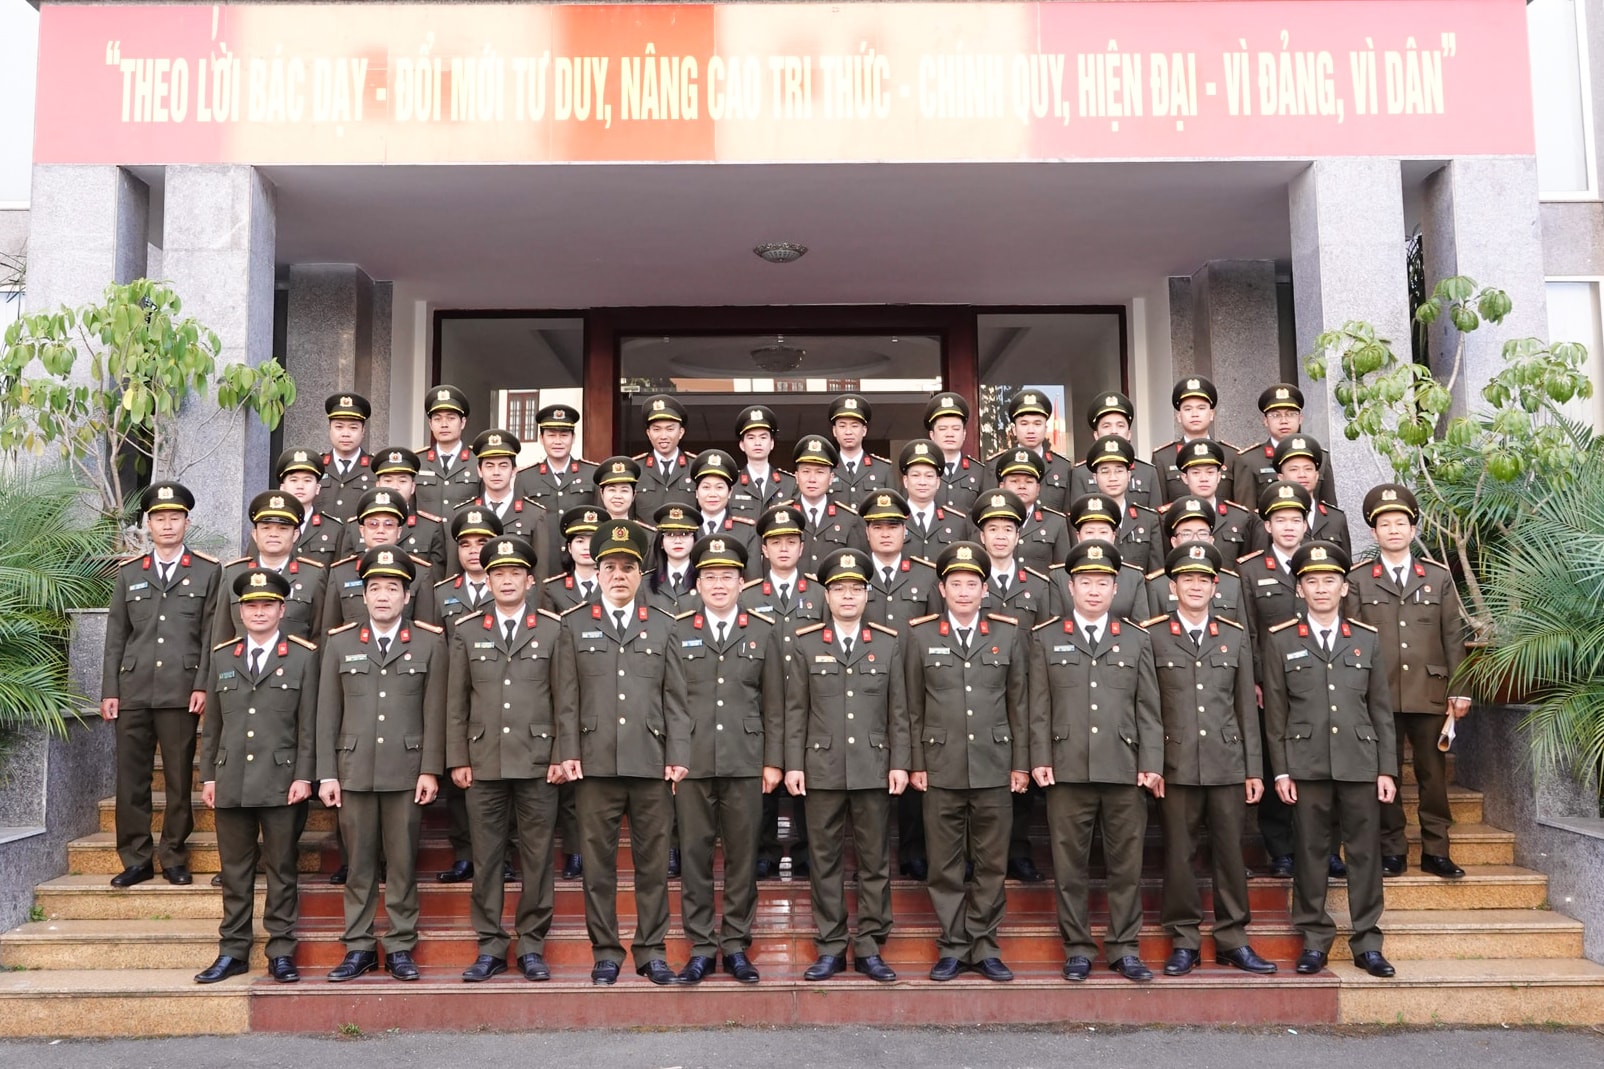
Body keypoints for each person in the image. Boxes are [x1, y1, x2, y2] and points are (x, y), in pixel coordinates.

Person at [555, 519, 689, 986]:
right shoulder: (574, 624)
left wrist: (678, 754)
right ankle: (606, 953)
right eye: (609, 567)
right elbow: (566, 697)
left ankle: (652, 952)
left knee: (653, 865)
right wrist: (568, 749)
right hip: (594, 763)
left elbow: (676, 698)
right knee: (598, 868)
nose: (618, 575)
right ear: (597, 573)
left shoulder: (664, 625)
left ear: (639, 574)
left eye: (627, 567)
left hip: (651, 762)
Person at [1261, 541, 1398, 979]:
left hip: (1360, 761)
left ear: (1344, 588)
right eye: (1312, 581)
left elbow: (1380, 710)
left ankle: (1368, 942)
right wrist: (1281, 770)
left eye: (1329, 580)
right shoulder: (1281, 640)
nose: (1321, 588)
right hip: (1306, 763)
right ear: (1299, 589)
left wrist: (1387, 768)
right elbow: (1276, 714)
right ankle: (1315, 940)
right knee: (1310, 852)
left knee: (1364, 854)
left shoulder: (1366, 638)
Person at [1028, 539, 1163, 984]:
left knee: (1127, 865)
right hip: (1066, 768)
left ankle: (1125, 947)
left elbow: (1149, 707)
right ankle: (1078, 948)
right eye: (1085, 581)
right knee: (1070, 867)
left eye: (1102, 582)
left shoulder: (1137, 638)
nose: (1093, 590)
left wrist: (1152, 761)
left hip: (1124, 768)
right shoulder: (1046, 637)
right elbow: (1039, 706)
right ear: (1070, 586)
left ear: (1115, 588)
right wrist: (1040, 757)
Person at [1145, 543, 1278, 978]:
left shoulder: (1233, 635)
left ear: (1215, 586)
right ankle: (1184, 939)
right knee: (1179, 855)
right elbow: (1147, 707)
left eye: (1203, 579)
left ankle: (1233, 939)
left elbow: (1245, 710)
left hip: (1226, 762)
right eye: (1187, 579)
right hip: (1176, 764)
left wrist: (1253, 769)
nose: (1196, 586)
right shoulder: (1152, 635)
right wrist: (1154, 763)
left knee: (1230, 854)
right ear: (1173, 586)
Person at [316, 547, 448, 982]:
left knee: (403, 863)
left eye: (393, 588)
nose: (383, 596)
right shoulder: (340, 642)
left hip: (406, 772)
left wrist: (430, 769)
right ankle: (358, 946)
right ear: (364, 595)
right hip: (353, 770)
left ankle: (400, 945)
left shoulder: (430, 642)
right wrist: (327, 773)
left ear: (407, 596)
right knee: (358, 865)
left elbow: (436, 712)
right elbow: (326, 713)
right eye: (375, 588)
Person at [784, 548, 910, 983]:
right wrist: (793, 764)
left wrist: (900, 763)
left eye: (856, 589)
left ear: (867, 594)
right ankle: (831, 946)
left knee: (874, 862)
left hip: (873, 767)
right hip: (821, 768)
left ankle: (871, 946)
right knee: (825, 861)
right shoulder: (806, 643)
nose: (848, 596)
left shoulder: (888, 643)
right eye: (839, 589)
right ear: (827, 595)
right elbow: (796, 711)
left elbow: (899, 711)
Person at [447, 535, 568, 982]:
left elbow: (565, 699)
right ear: (488, 580)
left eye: (515, 573)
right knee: (487, 858)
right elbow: (456, 702)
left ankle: (532, 944)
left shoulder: (553, 629)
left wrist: (562, 754)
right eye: (498, 574)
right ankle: (490, 946)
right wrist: (457, 758)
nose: (507, 580)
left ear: (530, 580)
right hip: (484, 761)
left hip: (538, 761)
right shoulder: (467, 630)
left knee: (537, 857)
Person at [905, 542, 1028, 983]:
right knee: (945, 864)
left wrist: (1021, 763)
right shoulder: (920, 635)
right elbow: (911, 707)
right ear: (941, 589)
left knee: (992, 863)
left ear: (984, 589)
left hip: (995, 763)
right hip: (941, 765)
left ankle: (985, 944)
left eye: (971, 584)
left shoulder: (1007, 634)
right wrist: (916, 762)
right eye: (954, 584)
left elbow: (1019, 703)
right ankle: (954, 946)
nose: (962, 591)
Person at [671, 535, 785, 984]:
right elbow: (670, 701)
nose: (719, 585)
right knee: (694, 856)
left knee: (742, 857)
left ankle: (736, 944)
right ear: (697, 584)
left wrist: (772, 761)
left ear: (742, 583)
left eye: (727, 577)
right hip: (692, 761)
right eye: (711, 577)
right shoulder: (678, 629)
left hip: (745, 760)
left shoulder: (763, 631)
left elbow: (774, 703)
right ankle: (701, 946)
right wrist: (673, 757)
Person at [194, 569, 317, 985]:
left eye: (267, 605)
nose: (259, 612)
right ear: (240, 611)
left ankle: (281, 950)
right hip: (231, 778)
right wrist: (209, 777)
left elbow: (308, 726)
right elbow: (213, 725)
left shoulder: (302, 657)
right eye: (251, 606)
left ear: (282, 610)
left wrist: (305, 776)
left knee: (281, 868)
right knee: (234, 871)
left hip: (282, 781)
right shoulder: (222, 657)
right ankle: (233, 951)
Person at [1345, 483, 1470, 880]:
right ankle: (1392, 849)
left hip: (1429, 692)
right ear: (1373, 532)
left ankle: (1436, 850)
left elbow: (1452, 636)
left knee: (1432, 775)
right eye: (1385, 524)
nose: (1393, 530)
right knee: (1387, 774)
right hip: (1377, 694)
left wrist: (1460, 689)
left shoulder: (1437, 577)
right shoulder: (1359, 579)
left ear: (1413, 529)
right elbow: (1352, 638)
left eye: (1401, 523)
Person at [100, 481, 221, 889]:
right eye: (159, 518)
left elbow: (211, 635)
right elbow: (116, 635)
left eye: (175, 518)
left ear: (187, 522)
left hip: (181, 689)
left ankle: (173, 855)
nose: (167, 525)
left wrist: (203, 685)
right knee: (130, 778)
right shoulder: (130, 572)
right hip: (133, 689)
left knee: (178, 778)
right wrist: (110, 690)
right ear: (148, 524)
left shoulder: (207, 571)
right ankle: (136, 858)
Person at [432, 506, 514, 887]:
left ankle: (505, 855)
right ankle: (465, 853)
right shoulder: (441, 592)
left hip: (501, 693)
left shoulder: (515, 588)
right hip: (454, 693)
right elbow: (432, 643)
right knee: (459, 780)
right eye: (465, 544)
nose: (473, 551)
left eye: (482, 543)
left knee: (505, 778)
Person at [742, 504, 825, 880]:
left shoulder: (820, 594)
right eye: (776, 542)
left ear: (802, 547)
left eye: (791, 541)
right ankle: (765, 850)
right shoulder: (748, 596)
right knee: (764, 778)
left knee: (809, 775)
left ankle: (807, 850)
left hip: (811, 700)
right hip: (761, 700)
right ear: (763, 549)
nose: (784, 549)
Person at [1238, 480, 1315, 879]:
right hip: (1270, 684)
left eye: (1295, 520)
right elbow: (1249, 630)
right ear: (1267, 526)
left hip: (1317, 681)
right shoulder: (1250, 570)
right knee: (1274, 764)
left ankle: (1320, 848)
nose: (1288, 527)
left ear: (1305, 524)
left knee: (1318, 764)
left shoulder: (1322, 563)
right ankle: (1281, 849)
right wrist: (1255, 679)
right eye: (1280, 520)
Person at [859, 489, 938, 880]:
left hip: (913, 681)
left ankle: (913, 851)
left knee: (914, 761)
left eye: (893, 526)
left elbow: (936, 630)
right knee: (866, 769)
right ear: (867, 532)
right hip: (864, 684)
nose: (886, 533)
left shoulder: (926, 575)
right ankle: (868, 857)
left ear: (906, 531)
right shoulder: (852, 575)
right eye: (878, 527)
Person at [214, 490, 327, 646]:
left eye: (282, 528)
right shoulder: (233, 573)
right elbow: (221, 636)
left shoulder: (313, 576)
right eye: (266, 528)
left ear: (295, 535)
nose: (273, 534)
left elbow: (319, 636)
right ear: (255, 534)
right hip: (243, 661)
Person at [321, 488, 440, 633]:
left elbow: (425, 633)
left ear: (399, 531)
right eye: (373, 524)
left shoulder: (420, 573)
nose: (381, 530)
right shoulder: (340, 573)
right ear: (362, 530)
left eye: (389, 524)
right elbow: (330, 631)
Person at [515, 402, 598, 578]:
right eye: (551, 435)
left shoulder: (591, 474)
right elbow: (521, 525)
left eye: (564, 435)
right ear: (541, 438)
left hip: (584, 567)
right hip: (543, 566)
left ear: (573, 438)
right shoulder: (525, 478)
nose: (558, 441)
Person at [1232, 383, 1338, 508]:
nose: (1284, 421)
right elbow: (1246, 513)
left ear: (1300, 419)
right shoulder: (1249, 460)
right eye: (1276, 415)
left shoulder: (1321, 457)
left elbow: (1330, 509)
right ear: (1265, 421)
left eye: (1290, 414)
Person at [1146, 496, 1248, 625]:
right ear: (1174, 542)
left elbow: (1241, 633)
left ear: (1211, 540)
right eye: (1186, 534)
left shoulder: (1231, 583)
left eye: (1202, 533)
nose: (1195, 539)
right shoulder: (1157, 585)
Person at [341, 446, 448, 568]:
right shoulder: (355, 527)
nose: (395, 487)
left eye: (402, 481)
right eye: (388, 481)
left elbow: (434, 576)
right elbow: (345, 572)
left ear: (413, 487)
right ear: (377, 485)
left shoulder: (431, 528)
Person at [1244, 434, 1350, 556]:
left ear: (1316, 476)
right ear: (1281, 477)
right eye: (1294, 469)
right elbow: (1259, 562)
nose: (1302, 475)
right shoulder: (1264, 519)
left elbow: (1345, 562)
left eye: (1308, 469)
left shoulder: (1336, 518)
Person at [1056, 494, 1151, 623]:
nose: (1097, 537)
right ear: (1078, 536)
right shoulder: (1059, 576)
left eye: (1103, 532)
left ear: (1113, 536)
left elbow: (1139, 627)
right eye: (1089, 532)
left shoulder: (1134, 578)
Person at [1083, 435, 1161, 573]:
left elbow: (1156, 574)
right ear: (1095, 478)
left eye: (1119, 471)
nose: (1112, 478)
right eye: (1105, 471)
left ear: (1129, 475)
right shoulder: (1083, 520)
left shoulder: (1148, 520)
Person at [1069, 391, 1161, 508]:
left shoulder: (1148, 472)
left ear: (1129, 434)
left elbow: (1155, 516)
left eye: (1120, 425)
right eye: (1106, 426)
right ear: (1096, 435)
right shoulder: (1081, 473)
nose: (1114, 431)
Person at [1153, 376, 1235, 504]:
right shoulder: (1163, 458)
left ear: (1212, 414)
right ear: (1179, 416)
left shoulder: (1231, 455)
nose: (1195, 414)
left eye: (1201, 408)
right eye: (1188, 409)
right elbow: (1159, 507)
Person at [792, 435, 866, 577]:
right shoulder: (785, 515)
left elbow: (856, 568)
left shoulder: (848, 519)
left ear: (831, 478)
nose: (812, 479)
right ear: (796, 476)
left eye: (820, 472)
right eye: (806, 471)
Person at [1169, 439, 1254, 562]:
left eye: (1210, 472)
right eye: (1196, 473)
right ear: (1185, 478)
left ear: (1219, 476)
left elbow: (1247, 564)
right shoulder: (1169, 517)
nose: (1204, 478)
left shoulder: (1240, 518)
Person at [993, 448, 1071, 573]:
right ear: (1001, 486)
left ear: (1038, 488)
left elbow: (1062, 573)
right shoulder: (989, 521)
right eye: (1014, 481)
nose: (1022, 486)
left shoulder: (1055, 522)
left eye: (1029, 482)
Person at [899, 439, 974, 560]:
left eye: (929, 476)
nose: (922, 482)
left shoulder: (956, 522)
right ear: (905, 481)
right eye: (915, 475)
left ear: (938, 482)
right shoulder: (895, 519)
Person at [689, 448, 760, 572]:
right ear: (696, 492)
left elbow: (753, 576)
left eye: (719, 487)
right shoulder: (687, 529)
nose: (712, 494)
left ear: (730, 492)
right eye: (706, 487)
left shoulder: (746, 531)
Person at [414, 384, 480, 518]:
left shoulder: (478, 460)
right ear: (430, 424)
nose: (444, 424)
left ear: (463, 422)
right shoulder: (417, 461)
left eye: (451, 418)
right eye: (437, 419)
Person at [276, 448, 345, 566]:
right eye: (293, 480)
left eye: (307, 480)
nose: (300, 486)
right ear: (282, 488)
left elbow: (338, 572)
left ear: (317, 488)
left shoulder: (334, 529)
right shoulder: (267, 526)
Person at [633, 394, 697, 522]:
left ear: (681, 432)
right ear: (648, 433)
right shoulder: (635, 468)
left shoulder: (696, 466)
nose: (663, 436)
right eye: (657, 429)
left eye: (670, 429)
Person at [471, 429, 542, 541]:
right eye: (489, 466)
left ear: (514, 470)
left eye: (503, 466)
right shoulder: (467, 511)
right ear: (479, 470)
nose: (496, 472)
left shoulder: (534, 514)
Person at [728, 405, 797, 519]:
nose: (757, 443)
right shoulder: (731, 484)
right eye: (751, 438)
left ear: (772, 443)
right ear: (742, 445)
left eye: (763, 437)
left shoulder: (790, 484)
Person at [826, 392, 891, 510]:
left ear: (864, 431)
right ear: (834, 431)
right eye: (842, 426)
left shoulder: (883, 469)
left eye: (854, 426)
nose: (848, 432)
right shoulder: (826, 468)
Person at [923, 393, 985, 513]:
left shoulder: (979, 471)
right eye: (943, 429)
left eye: (956, 429)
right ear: (932, 435)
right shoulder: (921, 471)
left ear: (964, 434)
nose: (950, 434)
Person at [320, 392, 374, 521]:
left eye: (353, 428)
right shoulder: (317, 466)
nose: (345, 434)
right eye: (339, 427)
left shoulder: (375, 469)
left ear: (363, 431)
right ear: (330, 429)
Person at [645, 501, 703, 614]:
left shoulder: (705, 580)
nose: (678, 541)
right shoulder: (644, 583)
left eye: (685, 534)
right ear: (661, 542)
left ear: (695, 540)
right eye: (670, 535)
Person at [594, 455, 643, 522]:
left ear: (634, 495)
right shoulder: (594, 529)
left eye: (624, 490)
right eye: (612, 490)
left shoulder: (639, 529)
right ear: (602, 493)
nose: (618, 496)